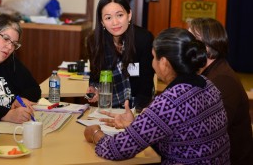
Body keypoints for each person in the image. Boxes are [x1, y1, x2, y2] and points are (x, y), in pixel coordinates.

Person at [84, 28, 230, 164]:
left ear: (164, 63)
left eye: (153, 57)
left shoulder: (170, 102)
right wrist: (135, 125)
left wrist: (95, 133)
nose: (151, 63)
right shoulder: (208, 85)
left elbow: (116, 149)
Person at [188, 17, 253, 165]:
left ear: (209, 46)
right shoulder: (209, 72)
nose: (186, 46)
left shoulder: (222, 79)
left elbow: (208, 132)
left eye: (191, 41)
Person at [86, 0, 154, 111]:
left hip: (137, 107)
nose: (115, 22)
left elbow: (146, 84)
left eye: (120, 15)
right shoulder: (94, 41)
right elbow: (95, 75)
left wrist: (136, 115)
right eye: (108, 18)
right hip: (107, 107)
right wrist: (94, 88)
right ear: (102, 21)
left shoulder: (144, 39)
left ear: (129, 15)